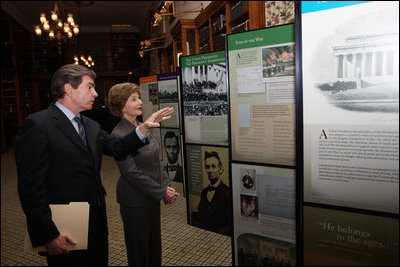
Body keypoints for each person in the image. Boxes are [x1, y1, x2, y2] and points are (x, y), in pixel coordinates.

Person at [15, 64, 173, 266]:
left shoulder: (90, 125)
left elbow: (116, 147)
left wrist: (142, 129)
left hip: (96, 219)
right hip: (63, 225)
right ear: (68, 89)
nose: (96, 93)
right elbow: (30, 189)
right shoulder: (38, 125)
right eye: (90, 87)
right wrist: (48, 234)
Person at [107, 82, 179, 266]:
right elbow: (130, 172)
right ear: (121, 105)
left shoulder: (142, 125)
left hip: (151, 197)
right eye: (134, 99)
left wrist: (166, 187)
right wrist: (161, 191)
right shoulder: (119, 134)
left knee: (154, 249)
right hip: (134, 201)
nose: (140, 101)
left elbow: (157, 159)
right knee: (139, 253)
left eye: (139, 97)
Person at [191, 151, 232, 236]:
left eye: (213, 166)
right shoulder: (204, 191)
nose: (210, 170)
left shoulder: (227, 192)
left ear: (220, 169)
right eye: (207, 167)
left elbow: (229, 223)